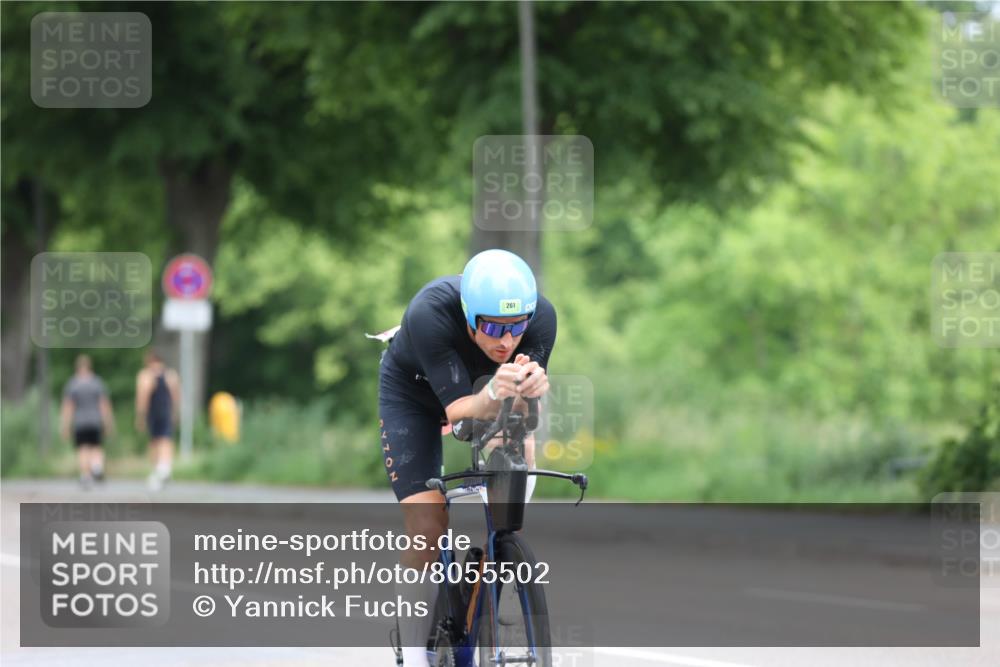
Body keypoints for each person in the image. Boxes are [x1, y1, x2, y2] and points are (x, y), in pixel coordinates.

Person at [379, 249, 556, 667]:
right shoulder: (430, 312)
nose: (506, 341)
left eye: (516, 328)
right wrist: (495, 392)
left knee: (518, 451)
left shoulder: (543, 317)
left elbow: (523, 414)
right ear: (466, 313)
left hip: (484, 391)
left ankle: (494, 558)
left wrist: (530, 394)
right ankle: (413, 655)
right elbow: (458, 413)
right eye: (492, 326)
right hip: (415, 397)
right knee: (428, 525)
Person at [60, 355, 114, 488]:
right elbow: (104, 404)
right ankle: (97, 466)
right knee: (96, 446)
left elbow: (68, 407)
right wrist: (108, 422)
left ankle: (86, 476)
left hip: (80, 422)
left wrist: (65, 425)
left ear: (77, 367)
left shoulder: (73, 384)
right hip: (95, 420)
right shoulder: (97, 382)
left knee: (83, 449)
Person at [135, 350, 181, 491]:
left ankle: (158, 470)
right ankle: (165, 468)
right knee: (166, 440)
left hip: (153, 412)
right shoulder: (171, 375)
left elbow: (143, 396)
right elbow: (176, 395)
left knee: (155, 441)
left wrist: (140, 416)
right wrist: (175, 412)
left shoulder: (145, 375)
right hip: (166, 411)